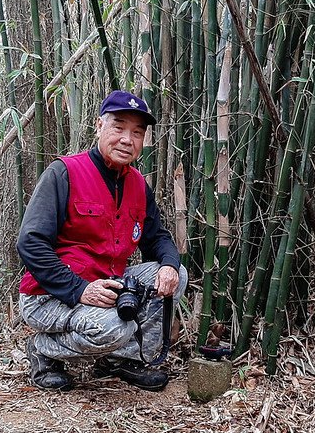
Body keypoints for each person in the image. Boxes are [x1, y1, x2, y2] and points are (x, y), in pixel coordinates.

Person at [16, 90, 188, 392]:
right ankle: (43, 349)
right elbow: (30, 242)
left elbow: (157, 238)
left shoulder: (137, 185)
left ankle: (121, 359)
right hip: (48, 296)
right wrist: (80, 289)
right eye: (119, 127)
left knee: (177, 274)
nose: (127, 139)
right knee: (114, 327)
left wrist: (170, 266)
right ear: (99, 126)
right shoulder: (64, 173)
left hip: (106, 287)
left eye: (137, 133)